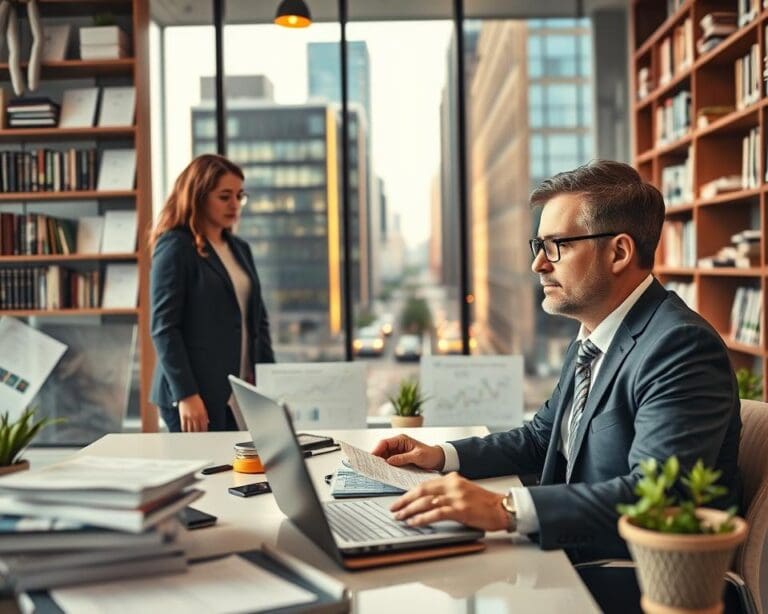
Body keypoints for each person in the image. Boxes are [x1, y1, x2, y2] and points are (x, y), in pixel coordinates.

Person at [373, 160, 741, 565]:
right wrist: (441, 456)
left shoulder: (679, 347)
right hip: (562, 555)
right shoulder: (594, 335)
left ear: (619, 252)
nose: (539, 265)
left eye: (556, 246)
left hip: (623, 577)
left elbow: (654, 495)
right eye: (538, 246)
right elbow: (540, 439)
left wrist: (505, 508)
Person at [149, 154, 275, 432]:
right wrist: (186, 394)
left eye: (240, 196)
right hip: (194, 397)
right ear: (198, 196)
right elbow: (164, 328)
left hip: (240, 393)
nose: (234, 205)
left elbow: (257, 321)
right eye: (224, 196)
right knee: (208, 474)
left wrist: (270, 380)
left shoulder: (240, 249)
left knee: (242, 472)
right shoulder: (175, 247)